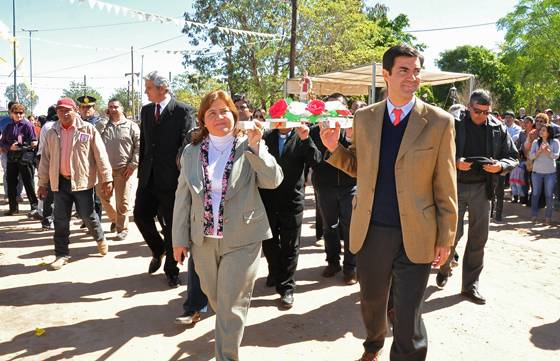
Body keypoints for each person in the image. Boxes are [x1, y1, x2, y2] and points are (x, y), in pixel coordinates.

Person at [320, 44, 458, 361]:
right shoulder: (364, 118)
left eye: (416, 71)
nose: (412, 77)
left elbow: (446, 184)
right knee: (371, 301)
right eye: (403, 70)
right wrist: (334, 149)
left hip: (418, 233)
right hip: (372, 231)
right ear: (386, 75)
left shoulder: (439, 122)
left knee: (408, 315)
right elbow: (359, 167)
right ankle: (373, 346)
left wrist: (445, 238)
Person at [172, 90, 283, 361]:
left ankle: (226, 356)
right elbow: (183, 196)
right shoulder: (191, 152)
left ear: (234, 115)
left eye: (224, 111)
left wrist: (258, 148)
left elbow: (273, 180)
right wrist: (178, 239)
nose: (219, 117)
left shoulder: (249, 144)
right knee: (217, 299)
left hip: (243, 238)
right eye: (212, 112)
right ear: (203, 120)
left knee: (231, 306)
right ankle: (228, 329)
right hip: (204, 239)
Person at [436, 89, 518, 304]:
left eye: (485, 111)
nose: (481, 116)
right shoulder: (453, 123)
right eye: (477, 111)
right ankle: (445, 268)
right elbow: (436, 151)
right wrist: (455, 162)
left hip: (484, 188)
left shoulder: (497, 127)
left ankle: (470, 285)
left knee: (478, 238)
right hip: (456, 186)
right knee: (451, 234)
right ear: (468, 107)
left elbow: (512, 156)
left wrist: (500, 165)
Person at [134, 70, 195, 288]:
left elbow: (187, 145)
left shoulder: (183, 110)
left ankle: (172, 269)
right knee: (140, 215)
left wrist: (182, 176)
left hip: (172, 179)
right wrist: (142, 173)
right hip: (149, 177)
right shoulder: (146, 111)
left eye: (149, 87)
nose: (146, 91)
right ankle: (157, 249)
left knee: (171, 226)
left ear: (162, 88)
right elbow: (144, 145)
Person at [37, 98, 113, 270]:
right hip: (60, 183)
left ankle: (99, 237)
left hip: (82, 182)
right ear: (56, 112)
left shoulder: (88, 129)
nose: (63, 113)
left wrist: (107, 178)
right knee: (60, 220)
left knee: (87, 214)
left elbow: (101, 156)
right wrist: (42, 183)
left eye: (67, 110)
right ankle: (61, 254)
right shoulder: (51, 132)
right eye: (60, 110)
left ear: (75, 110)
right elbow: (45, 161)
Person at [260, 122, 321, 308]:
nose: (283, 122)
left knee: (290, 245)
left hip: (292, 200)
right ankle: (275, 272)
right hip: (267, 200)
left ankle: (287, 287)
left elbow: (316, 161)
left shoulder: (301, 137)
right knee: (269, 241)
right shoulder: (266, 137)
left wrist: (307, 139)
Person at [310, 93, 357, 285]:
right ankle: (332, 262)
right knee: (329, 226)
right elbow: (312, 158)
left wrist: (348, 135)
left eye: (337, 109)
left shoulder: (354, 129)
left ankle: (351, 268)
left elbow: (356, 158)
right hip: (325, 185)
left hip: (350, 185)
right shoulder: (314, 131)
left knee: (350, 227)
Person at [95, 99, 140, 240]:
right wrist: (102, 121)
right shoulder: (102, 125)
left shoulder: (131, 126)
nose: (113, 109)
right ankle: (115, 219)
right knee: (103, 197)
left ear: (121, 108)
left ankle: (122, 229)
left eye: (115, 107)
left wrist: (133, 164)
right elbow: (94, 141)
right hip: (105, 170)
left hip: (124, 169)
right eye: (110, 107)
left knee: (123, 202)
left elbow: (139, 145)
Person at [0, 103, 38, 216]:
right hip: (12, 157)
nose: (19, 115)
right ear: (11, 114)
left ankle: (34, 207)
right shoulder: (8, 127)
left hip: (25, 157)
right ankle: (13, 208)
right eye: (16, 113)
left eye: (21, 113)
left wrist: (24, 146)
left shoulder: (28, 125)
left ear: (24, 113)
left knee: (28, 182)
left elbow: (34, 141)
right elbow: (2, 143)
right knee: (11, 182)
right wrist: (9, 147)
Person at [77, 95, 103, 226]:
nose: (86, 109)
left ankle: (96, 221)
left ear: (94, 108)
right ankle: (86, 219)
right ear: (79, 108)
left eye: (89, 107)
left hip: (96, 163)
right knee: (83, 195)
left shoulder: (100, 124)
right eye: (83, 107)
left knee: (97, 196)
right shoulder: (76, 123)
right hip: (81, 164)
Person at [528, 124, 559, 224]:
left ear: (549, 132)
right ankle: (534, 215)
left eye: (543, 130)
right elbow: (531, 156)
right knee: (535, 194)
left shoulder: (555, 142)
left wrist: (548, 152)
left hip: (550, 173)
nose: (541, 132)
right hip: (536, 173)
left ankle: (548, 217)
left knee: (549, 195)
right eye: (540, 130)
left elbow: (556, 156)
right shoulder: (536, 142)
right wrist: (539, 152)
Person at [36, 105, 58, 230]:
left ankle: (46, 217)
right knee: (50, 192)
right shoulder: (52, 126)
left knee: (47, 190)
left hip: (43, 160)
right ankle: (48, 218)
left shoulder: (46, 125)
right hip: (49, 161)